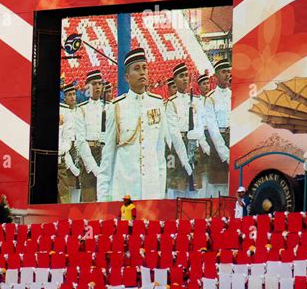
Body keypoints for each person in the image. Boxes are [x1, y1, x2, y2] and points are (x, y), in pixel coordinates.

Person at [97, 48, 167, 202]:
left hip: (151, 189)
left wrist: (160, 195)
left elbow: (160, 153)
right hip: (125, 189)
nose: (142, 72)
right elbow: (108, 157)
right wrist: (102, 200)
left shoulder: (157, 103)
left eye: (144, 68)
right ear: (127, 77)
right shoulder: (116, 107)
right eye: (137, 69)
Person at [165, 62, 209, 195]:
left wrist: (205, 147)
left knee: (195, 190)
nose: (184, 79)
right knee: (179, 189)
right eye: (181, 76)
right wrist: (184, 160)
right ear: (175, 80)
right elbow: (174, 133)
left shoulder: (196, 101)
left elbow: (200, 124)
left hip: (194, 145)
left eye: (186, 75)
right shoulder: (171, 103)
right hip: (179, 146)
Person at [57, 82, 97, 204]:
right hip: (66, 148)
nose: (72, 97)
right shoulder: (62, 111)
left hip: (78, 146)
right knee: (67, 182)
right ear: (64, 97)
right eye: (69, 95)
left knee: (79, 181)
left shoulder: (80, 110)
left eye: (74, 94)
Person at [78, 69, 107, 201]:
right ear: (88, 87)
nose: (98, 87)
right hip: (88, 154)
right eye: (94, 84)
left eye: (100, 84)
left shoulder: (109, 107)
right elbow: (81, 141)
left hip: (104, 152)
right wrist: (94, 168)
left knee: (105, 197)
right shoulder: (82, 109)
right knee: (89, 199)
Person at [204, 58, 231, 195]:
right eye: (223, 72)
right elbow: (213, 130)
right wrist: (225, 155)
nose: (227, 75)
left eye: (228, 71)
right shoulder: (210, 98)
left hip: (233, 141)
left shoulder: (234, 95)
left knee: (232, 186)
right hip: (218, 146)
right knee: (217, 188)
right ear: (215, 76)